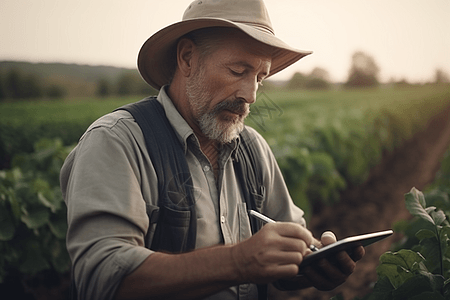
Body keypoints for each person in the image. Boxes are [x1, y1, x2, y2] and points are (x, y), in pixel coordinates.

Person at [60, 0, 365, 299]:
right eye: (237, 70)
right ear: (188, 58)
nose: (251, 95)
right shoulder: (117, 142)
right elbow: (100, 280)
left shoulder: (254, 149)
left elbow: (284, 254)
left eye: (260, 77)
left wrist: (311, 264)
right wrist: (238, 262)